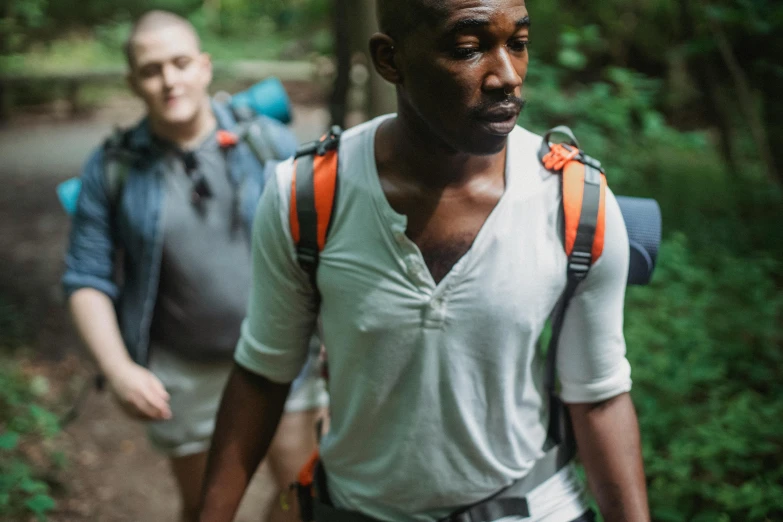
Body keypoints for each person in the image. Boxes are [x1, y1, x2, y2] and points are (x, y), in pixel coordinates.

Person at [199, 0, 650, 520]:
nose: (507, 76)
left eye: (519, 44)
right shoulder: (306, 197)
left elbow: (598, 395)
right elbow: (262, 374)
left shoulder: (573, 200)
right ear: (390, 60)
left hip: (533, 505)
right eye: (468, 49)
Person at [61, 10, 328, 522]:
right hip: (184, 373)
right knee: (208, 509)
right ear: (133, 81)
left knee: (303, 498)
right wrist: (118, 370)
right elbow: (86, 276)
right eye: (152, 69)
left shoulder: (266, 143)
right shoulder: (113, 167)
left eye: (181, 63)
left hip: (283, 357)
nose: (169, 81)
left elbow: (319, 246)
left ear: (204, 66)